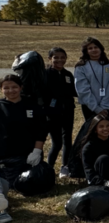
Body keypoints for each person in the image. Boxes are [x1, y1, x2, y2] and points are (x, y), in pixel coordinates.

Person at [0, 75, 47, 193]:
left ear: (21, 87)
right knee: (13, 185)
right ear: (1, 89)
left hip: (29, 156)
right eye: (6, 88)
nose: (11, 91)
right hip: (6, 157)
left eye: (14, 87)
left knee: (36, 182)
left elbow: (41, 130)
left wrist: (37, 152)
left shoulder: (32, 105)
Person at [44, 47, 77, 178]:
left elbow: (74, 91)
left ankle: (65, 166)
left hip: (68, 111)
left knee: (67, 140)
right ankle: (48, 168)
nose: (59, 60)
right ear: (50, 59)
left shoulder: (68, 74)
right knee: (56, 142)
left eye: (62, 57)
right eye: (56, 57)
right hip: (52, 112)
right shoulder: (45, 74)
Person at [74, 37, 109, 121]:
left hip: (106, 107)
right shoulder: (81, 67)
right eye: (90, 48)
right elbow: (82, 89)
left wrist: (104, 106)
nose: (94, 50)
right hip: (89, 106)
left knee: (105, 130)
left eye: (96, 47)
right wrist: (96, 108)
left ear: (101, 49)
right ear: (86, 51)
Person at [80, 114, 109, 188]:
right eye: (101, 127)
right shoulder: (89, 147)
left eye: (108, 126)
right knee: (103, 159)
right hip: (98, 182)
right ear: (95, 129)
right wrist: (104, 182)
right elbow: (88, 171)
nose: (105, 129)